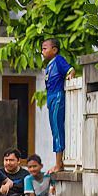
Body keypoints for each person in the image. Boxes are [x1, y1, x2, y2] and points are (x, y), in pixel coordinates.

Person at [42, 38, 75, 172]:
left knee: (57, 129)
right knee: (54, 129)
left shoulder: (58, 60)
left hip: (57, 97)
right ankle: (57, 161)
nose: (42, 51)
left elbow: (70, 70)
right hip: (50, 97)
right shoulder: (49, 64)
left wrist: (70, 76)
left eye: (45, 48)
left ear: (54, 50)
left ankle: (58, 163)